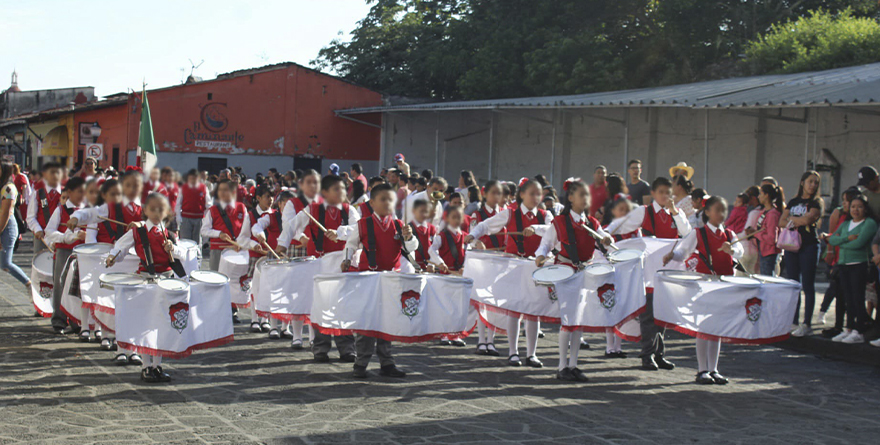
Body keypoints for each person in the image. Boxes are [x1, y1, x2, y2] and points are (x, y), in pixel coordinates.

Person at [605, 177, 689, 371]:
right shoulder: (644, 212)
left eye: (668, 193)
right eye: (661, 192)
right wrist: (606, 233)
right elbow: (622, 224)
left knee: (663, 314)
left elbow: (687, 232)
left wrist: (675, 212)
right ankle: (647, 355)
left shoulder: (676, 213)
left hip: (669, 271)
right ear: (653, 193)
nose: (665, 196)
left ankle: (659, 353)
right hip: (650, 270)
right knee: (649, 315)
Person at [535, 178, 613, 382]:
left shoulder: (592, 223)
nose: (586, 198)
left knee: (578, 321)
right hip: (565, 272)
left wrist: (608, 239)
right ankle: (562, 366)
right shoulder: (559, 222)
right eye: (582, 195)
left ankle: (573, 365)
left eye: (587, 195)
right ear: (570, 198)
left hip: (584, 273)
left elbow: (603, 235)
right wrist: (540, 255)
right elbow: (546, 243)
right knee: (569, 319)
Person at [466, 179, 550, 368]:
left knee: (533, 311)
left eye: (539, 194)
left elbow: (553, 231)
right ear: (522, 195)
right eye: (532, 193)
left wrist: (535, 229)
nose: (536, 198)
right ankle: (513, 352)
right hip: (514, 266)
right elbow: (487, 225)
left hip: (535, 267)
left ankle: (532, 354)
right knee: (514, 309)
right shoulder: (510, 213)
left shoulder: (545, 215)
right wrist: (474, 234)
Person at [107, 193, 187, 383]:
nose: (157, 213)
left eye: (161, 209)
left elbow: (183, 254)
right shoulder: (138, 230)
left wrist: (173, 249)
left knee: (161, 324)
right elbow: (121, 246)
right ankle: (145, 366)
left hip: (165, 282)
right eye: (153, 209)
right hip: (146, 280)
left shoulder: (169, 234)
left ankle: (157, 365)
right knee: (146, 324)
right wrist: (112, 257)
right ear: (145, 210)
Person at [663, 195, 742, 385]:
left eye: (724, 210)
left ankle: (713, 369)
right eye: (718, 210)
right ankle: (702, 369)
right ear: (707, 213)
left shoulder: (730, 235)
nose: (722, 214)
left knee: (717, 328)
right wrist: (673, 255)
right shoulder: (698, 233)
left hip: (723, 285)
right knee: (704, 327)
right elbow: (684, 251)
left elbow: (740, 251)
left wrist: (731, 251)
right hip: (703, 285)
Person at [341, 183, 417, 378]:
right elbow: (351, 244)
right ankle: (361, 363)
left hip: (392, 279)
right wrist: (347, 259)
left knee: (388, 321)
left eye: (390, 199)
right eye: (382, 199)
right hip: (369, 279)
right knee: (368, 321)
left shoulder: (400, 225)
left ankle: (387, 362)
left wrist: (409, 237)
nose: (387, 203)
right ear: (372, 202)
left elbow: (411, 248)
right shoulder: (363, 224)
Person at [288, 175, 360, 359]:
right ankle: (320, 348)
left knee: (343, 306)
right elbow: (291, 226)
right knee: (320, 306)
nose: (342, 193)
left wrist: (340, 233)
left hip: (341, 265)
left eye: (344, 189)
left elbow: (359, 230)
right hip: (318, 264)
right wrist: (298, 237)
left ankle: (347, 349)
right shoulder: (311, 209)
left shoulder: (349, 210)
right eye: (337, 189)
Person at [821, 195, 877, 344]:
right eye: (853, 206)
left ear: (865, 208)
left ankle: (859, 330)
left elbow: (859, 243)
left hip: (858, 265)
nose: (855, 210)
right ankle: (849, 328)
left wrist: (841, 242)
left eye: (859, 206)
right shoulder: (846, 224)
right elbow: (832, 239)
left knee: (858, 299)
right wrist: (847, 239)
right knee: (848, 299)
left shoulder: (869, 223)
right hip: (843, 264)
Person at [779, 171, 823, 337]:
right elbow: (781, 221)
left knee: (808, 285)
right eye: (810, 181)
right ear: (802, 182)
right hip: (791, 246)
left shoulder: (816, 202)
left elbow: (808, 220)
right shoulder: (793, 201)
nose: (813, 185)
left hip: (809, 246)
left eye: (816, 183)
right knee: (793, 284)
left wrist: (793, 219)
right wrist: (798, 219)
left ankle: (807, 323)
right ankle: (793, 320)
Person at [44, 177, 87, 334]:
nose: (83, 195)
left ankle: (76, 320)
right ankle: (59, 320)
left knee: (78, 287)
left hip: (82, 253)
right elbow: (49, 232)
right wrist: (65, 237)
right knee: (60, 285)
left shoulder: (87, 211)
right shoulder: (60, 210)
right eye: (79, 192)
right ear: (69, 192)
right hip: (64, 251)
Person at [428, 204, 469, 347]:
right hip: (446, 274)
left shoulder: (464, 236)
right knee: (445, 304)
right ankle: (444, 333)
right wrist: (439, 262)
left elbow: (468, 254)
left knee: (458, 305)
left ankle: (455, 334)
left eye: (459, 217)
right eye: (454, 217)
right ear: (447, 218)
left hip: (459, 274)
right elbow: (431, 249)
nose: (457, 220)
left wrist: (465, 266)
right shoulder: (442, 235)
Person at [819, 188, 858, 335]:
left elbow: (845, 238)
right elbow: (834, 236)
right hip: (838, 259)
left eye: (847, 201)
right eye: (844, 201)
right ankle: (838, 325)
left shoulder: (857, 221)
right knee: (838, 292)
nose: (845, 204)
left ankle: (852, 326)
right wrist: (831, 246)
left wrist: (838, 239)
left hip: (852, 260)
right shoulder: (840, 215)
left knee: (850, 295)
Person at [0, 161, 30, 292]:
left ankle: (29, 285)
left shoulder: (9, 188)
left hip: (6, 227)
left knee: (6, 263)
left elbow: (6, 213)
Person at [27, 162, 64, 259]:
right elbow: (31, 217)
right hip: (42, 235)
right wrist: (37, 229)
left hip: (61, 237)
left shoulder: (67, 193)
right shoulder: (38, 193)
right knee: (40, 265)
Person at [752, 184, 783, 276]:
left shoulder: (772, 214)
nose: (758, 197)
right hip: (763, 251)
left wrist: (756, 234)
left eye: (761, 194)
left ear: (767, 195)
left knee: (768, 279)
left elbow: (772, 238)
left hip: (769, 253)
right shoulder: (765, 212)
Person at [176, 169, 211, 246]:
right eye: (191, 178)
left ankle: (197, 257)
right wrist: (178, 216)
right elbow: (178, 203)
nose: (193, 180)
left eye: (195, 178)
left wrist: (206, 218)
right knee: (185, 241)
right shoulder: (183, 188)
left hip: (199, 218)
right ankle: (185, 258)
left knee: (197, 241)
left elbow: (208, 204)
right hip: (186, 218)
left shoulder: (203, 188)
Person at [409, 199, 436, 271]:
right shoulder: (408, 228)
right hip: (413, 267)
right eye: (421, 211)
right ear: (414, 211)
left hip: (428, 267)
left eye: (426, 212)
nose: (424, 214)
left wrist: (431, 264)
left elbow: (435, 248)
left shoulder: (432, 228)